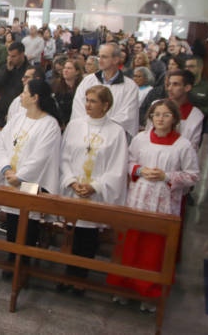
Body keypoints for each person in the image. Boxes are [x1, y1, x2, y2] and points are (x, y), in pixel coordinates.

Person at [106, 100, 199, 309]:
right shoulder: (141, 139)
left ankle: (148, 291)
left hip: (163, 203)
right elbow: (126, 162)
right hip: (138, 199)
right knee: (131, 242)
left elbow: (193, 175)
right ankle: (124, 285)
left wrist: (167, 175)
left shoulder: (182, 145)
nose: (160, 119)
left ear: (174, 119)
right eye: (156, 114)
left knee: (153, 248)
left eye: (166, 115)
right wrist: (139, 170)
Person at [59, 86, 128, 290]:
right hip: (73, 189)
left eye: (93, 101)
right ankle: (67, 275)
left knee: (87, 236)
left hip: (95, 192)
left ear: (106, 105)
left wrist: (94, 186)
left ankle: (81, 279)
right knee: (71, 233)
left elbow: (118, 166)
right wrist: (71, 181)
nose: (87, 105)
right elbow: (64, 157)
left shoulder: (116, 132)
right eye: (87, 100)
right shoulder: (75, 125)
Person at [0, 79, 61, 276]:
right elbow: (2, 142)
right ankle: (12, 257)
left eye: (24, 92)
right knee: (12, 219)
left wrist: (19, 176)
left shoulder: (49, 125)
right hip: (10, 178)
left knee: (27, 220)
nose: (21, 96)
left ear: (35, 98)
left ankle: (23, 262)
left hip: (31, 183)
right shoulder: (18, 118)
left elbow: (41, 157)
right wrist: (6, 169)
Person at [71, 43, 139, 139]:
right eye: (99, 57)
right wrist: (92, 125)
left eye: (104, 57)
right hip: (86, 133)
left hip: (112, 137)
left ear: (115, 60)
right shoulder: (88, 81)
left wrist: (102, 126)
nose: (100, 60)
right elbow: (78, 107)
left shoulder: (130, 86)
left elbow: (127, 115)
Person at [146, 70, 204, 150]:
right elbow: (148, 134)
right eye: (169, 84)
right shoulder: (157, 105)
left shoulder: (195, 115)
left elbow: (192, 147)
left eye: (175, 84)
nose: (169, 88)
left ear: (187, 87)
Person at [0, 42, 29, 127]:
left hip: (18, 112)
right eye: (9, 56)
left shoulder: (29, 71)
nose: (10, 59)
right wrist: (7, 71)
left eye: (13, 56)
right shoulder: (6, 67)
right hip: (2, 109)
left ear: (22, 54)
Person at [52, 60, 83, 128]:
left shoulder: (82, 86)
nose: (65, 70)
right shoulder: (55, 85)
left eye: (69, 68)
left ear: (77, 72)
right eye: (65, 68)